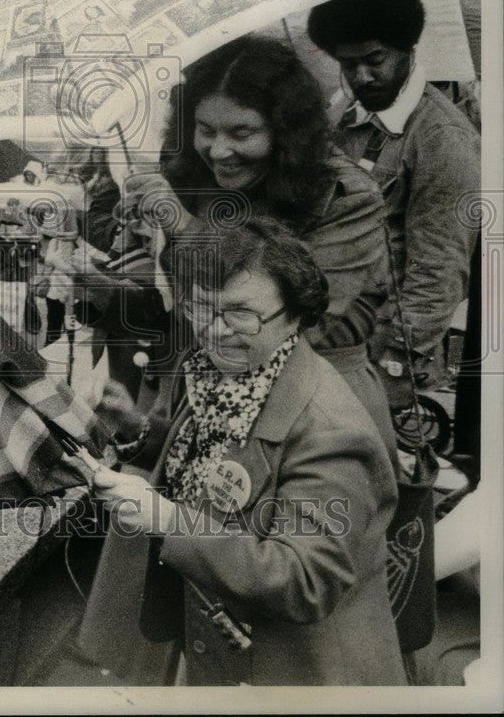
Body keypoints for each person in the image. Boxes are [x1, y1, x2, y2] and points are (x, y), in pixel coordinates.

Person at [79, 219, 406, 686]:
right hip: (231, 647)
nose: (214, 332)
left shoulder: (331, 433)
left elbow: (305, 579)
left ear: (296, 314)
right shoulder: (237, 373)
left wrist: (169, 520)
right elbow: (218, 458)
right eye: (199, 310)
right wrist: (137, 430)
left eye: (241, 314)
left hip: (300, 674)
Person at [99, 35, 396, 457]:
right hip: (201, 399)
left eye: (242, 132)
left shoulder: (347, 198)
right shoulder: (197, 179)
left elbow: (294, 324)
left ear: (286, 131)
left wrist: (186, 229)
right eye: (205, 130)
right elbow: (183, 307)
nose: (219, 151)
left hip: (313, 418)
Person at [306, 0, 480, 407]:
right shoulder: (343, 110)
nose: (361, 76)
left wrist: (393, 365)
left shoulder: (444, 140)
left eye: (374, 59)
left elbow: (438, 273)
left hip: (380, 345)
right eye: (348, 65)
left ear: (408, 49)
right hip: (327, 328)